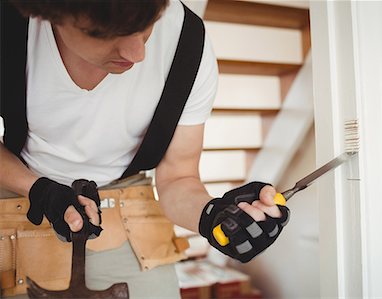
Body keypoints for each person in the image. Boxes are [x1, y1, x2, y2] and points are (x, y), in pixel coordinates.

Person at [0, 0, 290, 298]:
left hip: (131, 202)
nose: (137, 54)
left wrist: (211, 216)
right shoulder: (7, 24)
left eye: (148, 24)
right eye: (103, 33)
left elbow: (178, 177)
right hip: (21, 188)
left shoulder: (187, 44)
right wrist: (38, 189)